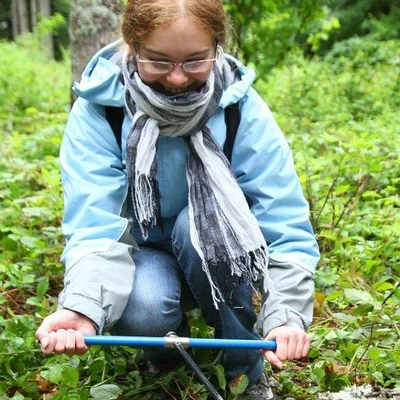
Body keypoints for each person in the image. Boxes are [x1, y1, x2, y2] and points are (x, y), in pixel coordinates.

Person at [36, 0, 320, 399]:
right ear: (131, 46)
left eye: (194, 61)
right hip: (140, 255)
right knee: (146, 311)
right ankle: (169, 361)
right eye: (157, 61)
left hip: (219, 253)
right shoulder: (102, 109)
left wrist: (286, 315)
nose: (176, 78)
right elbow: (96, 224)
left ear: (217, 47)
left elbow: (283, 217)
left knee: (200, 226)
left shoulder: (240, 108)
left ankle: (246, 370)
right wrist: (83, 307)